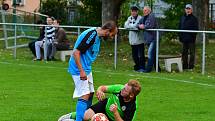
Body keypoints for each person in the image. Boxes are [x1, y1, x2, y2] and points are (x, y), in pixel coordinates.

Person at [67, 21, 118, 121]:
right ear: (108, 31)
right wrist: (81, 71)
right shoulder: (92, 35)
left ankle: (84, 116)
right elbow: (76, 53)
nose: (112, 37)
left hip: (86, 68)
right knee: (84, 95)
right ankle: (79, 119)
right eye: (112, 35)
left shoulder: (97, 35)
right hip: (79, 69)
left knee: (90, 93)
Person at [58, 79, 141, 121]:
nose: (122, 89)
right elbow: (102, 87)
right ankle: (71, 116)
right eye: (124, 87)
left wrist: (115, 112)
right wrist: (99, 91)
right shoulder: (119, 88)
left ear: (131, 95)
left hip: (114, 118)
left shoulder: (132, 106)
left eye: (125, 90)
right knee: (85, 116)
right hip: (104, 105)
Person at [138, 6, 161, 72]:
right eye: (143, 10)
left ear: (149, 11)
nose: (144, 11)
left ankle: (148, 70)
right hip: (148, 39)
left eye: (145, 10)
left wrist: (143, 26)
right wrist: (140, 26)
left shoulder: (151, 16)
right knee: (154, 54)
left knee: (150, 54)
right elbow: (138, 24)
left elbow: (149, 26)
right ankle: (158, 69)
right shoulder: (143, 17)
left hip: (154, 39)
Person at [124, 6, 145, 72]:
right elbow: (125, 26)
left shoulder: (141, 18)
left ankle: (142, 68)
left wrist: (131, 26)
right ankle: (137, 67)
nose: (133, 12)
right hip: (132, 41)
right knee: (134, 56)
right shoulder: (129, 18)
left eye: (135, 11)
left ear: (137, 12)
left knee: (141, 55)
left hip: (140, 40)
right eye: (132, 11)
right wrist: (134, 26)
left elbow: (138, 26)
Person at [179, 4, 198, 70]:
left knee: (192, 53)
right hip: (184, 38)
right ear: (185, 9)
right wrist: (180, 36)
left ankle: (191, 67)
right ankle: (185, 66)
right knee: (184, 53)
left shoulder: (194, 19)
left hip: (191, 39)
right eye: (187, 8)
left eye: (189, 9)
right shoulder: (182, 17)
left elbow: (196, 29)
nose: (188, 10)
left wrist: (193, 37)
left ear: (191, 10)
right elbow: (180, 27)